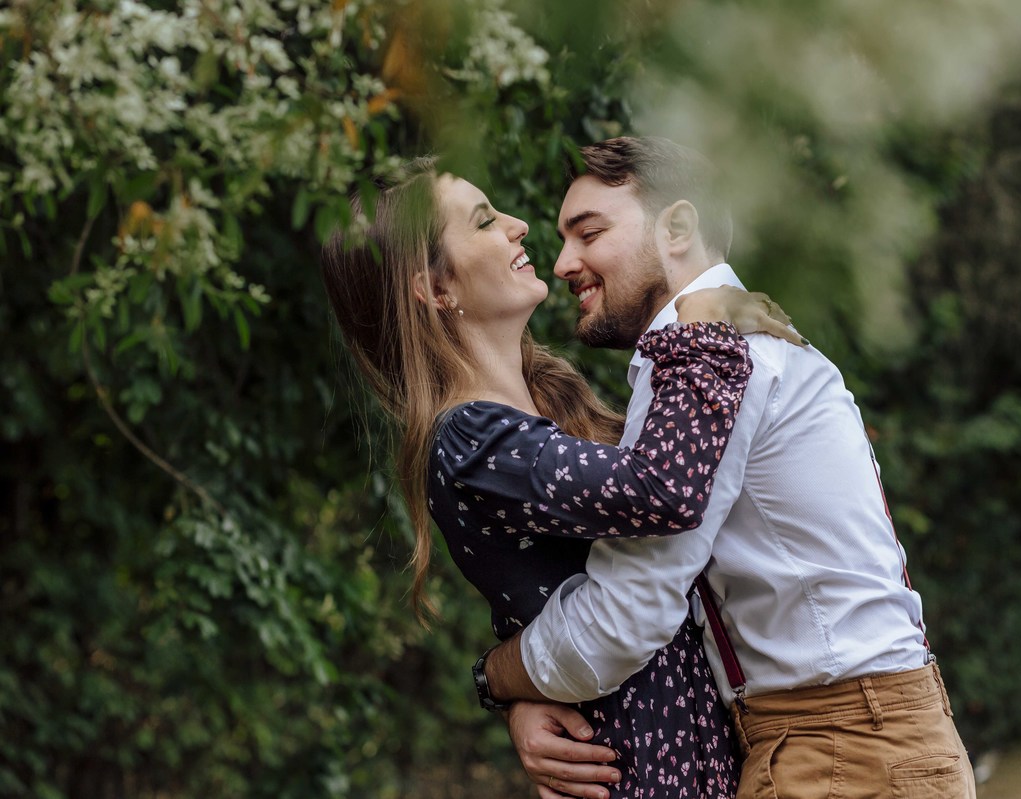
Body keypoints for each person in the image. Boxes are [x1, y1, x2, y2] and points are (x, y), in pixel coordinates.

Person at [479, 137, 978, 799]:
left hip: (840, 750)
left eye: (589, 232)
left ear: (678, 227)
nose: (565, 260)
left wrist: (497, 677)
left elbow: (630, 610)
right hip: (852, 737)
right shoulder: (737, 334)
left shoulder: (704, 355)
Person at [320, 158, 804, 799]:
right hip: (638, 777)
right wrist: (707, 312)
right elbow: (660, 490)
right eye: (486, 221)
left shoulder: (551, 405)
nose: (519, 227)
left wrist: (508, 688)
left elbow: (543, 592)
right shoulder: (469, 440)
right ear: (435, 290)